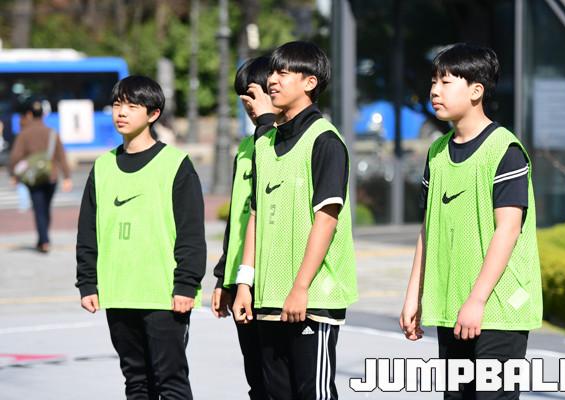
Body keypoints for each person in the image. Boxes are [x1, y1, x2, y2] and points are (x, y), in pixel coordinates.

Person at [399, 43, 543, 400]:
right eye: (434, 81)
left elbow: (508, 230)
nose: (435, 90)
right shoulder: (437, 152)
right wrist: (414, 295)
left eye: (446, 82)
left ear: (476, 90)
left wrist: (477, 301)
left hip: (496, 311)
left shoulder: (505, 150)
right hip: (451, 307)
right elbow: (427, 229)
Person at [232, 41, 358, 400]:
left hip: (311, 300)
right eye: (272, 72)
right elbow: (255, 215)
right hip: (268, 298)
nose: (272, 80)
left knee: (313, 394)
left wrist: (301, 287)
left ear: (309, 82)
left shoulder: (325, 141)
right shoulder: (263, 144)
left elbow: (326, 220)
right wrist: (244, 283)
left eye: (283, 72)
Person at [75, 75, 206, 399]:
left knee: (171, 382)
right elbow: (87, 230)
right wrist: (88, 282)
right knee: (135, 382)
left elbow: (191, 232)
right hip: (119, 292)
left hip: (163, 295)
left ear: (153, 114)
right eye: (117, 105)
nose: (121, 112)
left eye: (132, 106)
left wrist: (186, 285)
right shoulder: (103, 166)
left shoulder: (176, 165)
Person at [210, 55, 278, 400]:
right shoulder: (247, 146)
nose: (248, 104)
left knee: (286, 385)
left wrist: (266, 121)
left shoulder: (283, 143)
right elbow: (239, 216)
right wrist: (224, 278)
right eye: (243, 98)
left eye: (253, 94)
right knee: (258, 383)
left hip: (276, 283)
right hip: (243, 281)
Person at [8, 99, 72, 252]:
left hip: (33, 178)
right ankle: (43, 238)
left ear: (29, 115)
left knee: (38, 208)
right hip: (51, 176)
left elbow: (15, 156)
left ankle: (44, 241)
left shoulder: (24, 134)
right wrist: (67, 177)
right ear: (43, 115)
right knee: (46, 207)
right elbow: (61, 155)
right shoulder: (52, 133)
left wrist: (14, 174)